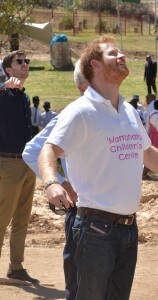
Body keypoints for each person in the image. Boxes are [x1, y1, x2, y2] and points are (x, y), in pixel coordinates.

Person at [38, 36, 158, 300]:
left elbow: (147, 152)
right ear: (94, 64)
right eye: (113, 53)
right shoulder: (80, 111)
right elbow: (48, 149)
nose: (122, 56)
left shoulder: (127, 110)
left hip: (128, 229)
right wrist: (51, 183)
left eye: (121, 52)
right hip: (94, 229)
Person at [22, 59, 88, 299]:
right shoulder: (72, 114)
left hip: (121, 220)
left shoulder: (123, 112)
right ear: (84, 85)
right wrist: (59, 182)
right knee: (81, 284)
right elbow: (32, 151)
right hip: (84, 213)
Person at [0, 50, 38, 283]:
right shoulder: (4, 94)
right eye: (20, 62)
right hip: (8, 164)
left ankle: (16, 266)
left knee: (22, 219)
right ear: (7, 69)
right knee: (2, 219)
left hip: (26, 164)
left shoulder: (22, 96)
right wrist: (3, 87)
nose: (25, 65)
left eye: (27, 61)